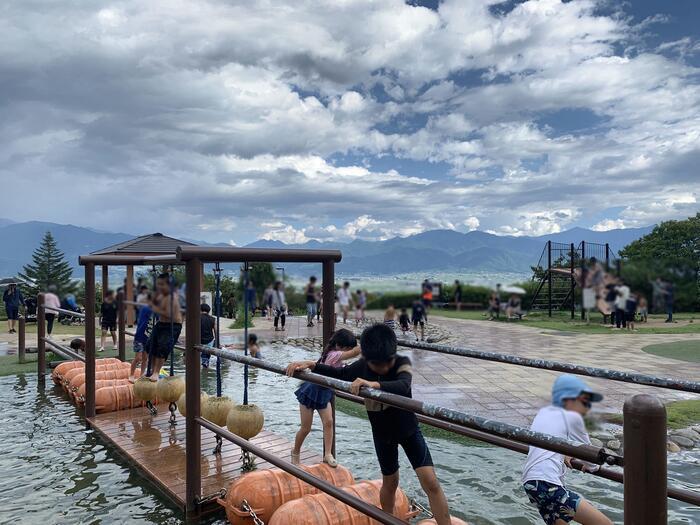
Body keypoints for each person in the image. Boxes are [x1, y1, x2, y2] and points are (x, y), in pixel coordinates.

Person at [285, 324, 451, 524]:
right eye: (373, 363)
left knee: (430, 482)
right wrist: (312, 365)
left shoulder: (402, 363)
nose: (377, 367)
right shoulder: (363, 365)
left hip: (408, 430)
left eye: (383, 363)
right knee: (390, 482)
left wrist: (375, 385)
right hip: (382, 434)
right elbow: (340, 374)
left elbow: (403, 384)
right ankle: (387, 520)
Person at [522, 375, 612, 525]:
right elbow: (589, 453)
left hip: (532, 483)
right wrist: (593, 467)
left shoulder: (544, 413)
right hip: (548, 483)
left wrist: (563, 453)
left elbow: (550, 441)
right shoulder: (573, 417)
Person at [290, 328, 360, 467]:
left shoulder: (335, 354)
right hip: (311, 391)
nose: (348, 351)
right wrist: (369, 343)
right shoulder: (334, 354)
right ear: (340, 346)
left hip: (324, 392)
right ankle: (295, 452)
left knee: (328, 422)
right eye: (347, 348)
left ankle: (328, 454)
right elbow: (354, 353)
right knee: (306, 428)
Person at [146, 274, 183, 381]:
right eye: (158, 284)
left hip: (172, 326)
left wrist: (154, 308)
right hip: (161, 324)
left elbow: (168, 313)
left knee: (163, 347)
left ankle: (157, 372)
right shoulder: (162, 295)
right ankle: (153, 370)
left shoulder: (172, 297)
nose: (160, 287)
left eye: (162, 284)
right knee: (150, 346)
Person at [130, 299, 152, 381]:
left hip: (147, 338)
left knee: (145, 358)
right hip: (139, 338)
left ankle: (142, 375)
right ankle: (131, 374)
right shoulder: (146, 309)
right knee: (138, 358)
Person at [200, 303, 216, 368]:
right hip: (209, 340)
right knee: (206, 357)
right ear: (209, 311)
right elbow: (216, 331)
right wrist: (217, 341)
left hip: (199, 340)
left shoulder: (197, 318)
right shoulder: (213, 319)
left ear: (200, 310)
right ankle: (205, 368)